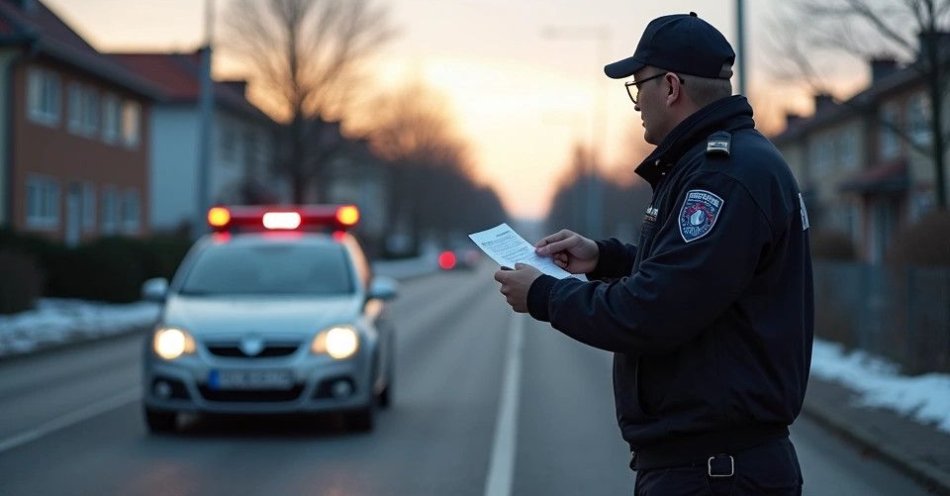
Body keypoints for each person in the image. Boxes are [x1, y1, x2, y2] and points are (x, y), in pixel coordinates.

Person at [493, 12, 813, 496]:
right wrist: (603, 258)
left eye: (636, 86)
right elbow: (696, 273)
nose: (635, 102)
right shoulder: (713, 164)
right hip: (709, 466)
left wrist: (544, 296)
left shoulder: (720, 176)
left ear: (669, 87)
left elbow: (655, 310)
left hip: (714, 474)